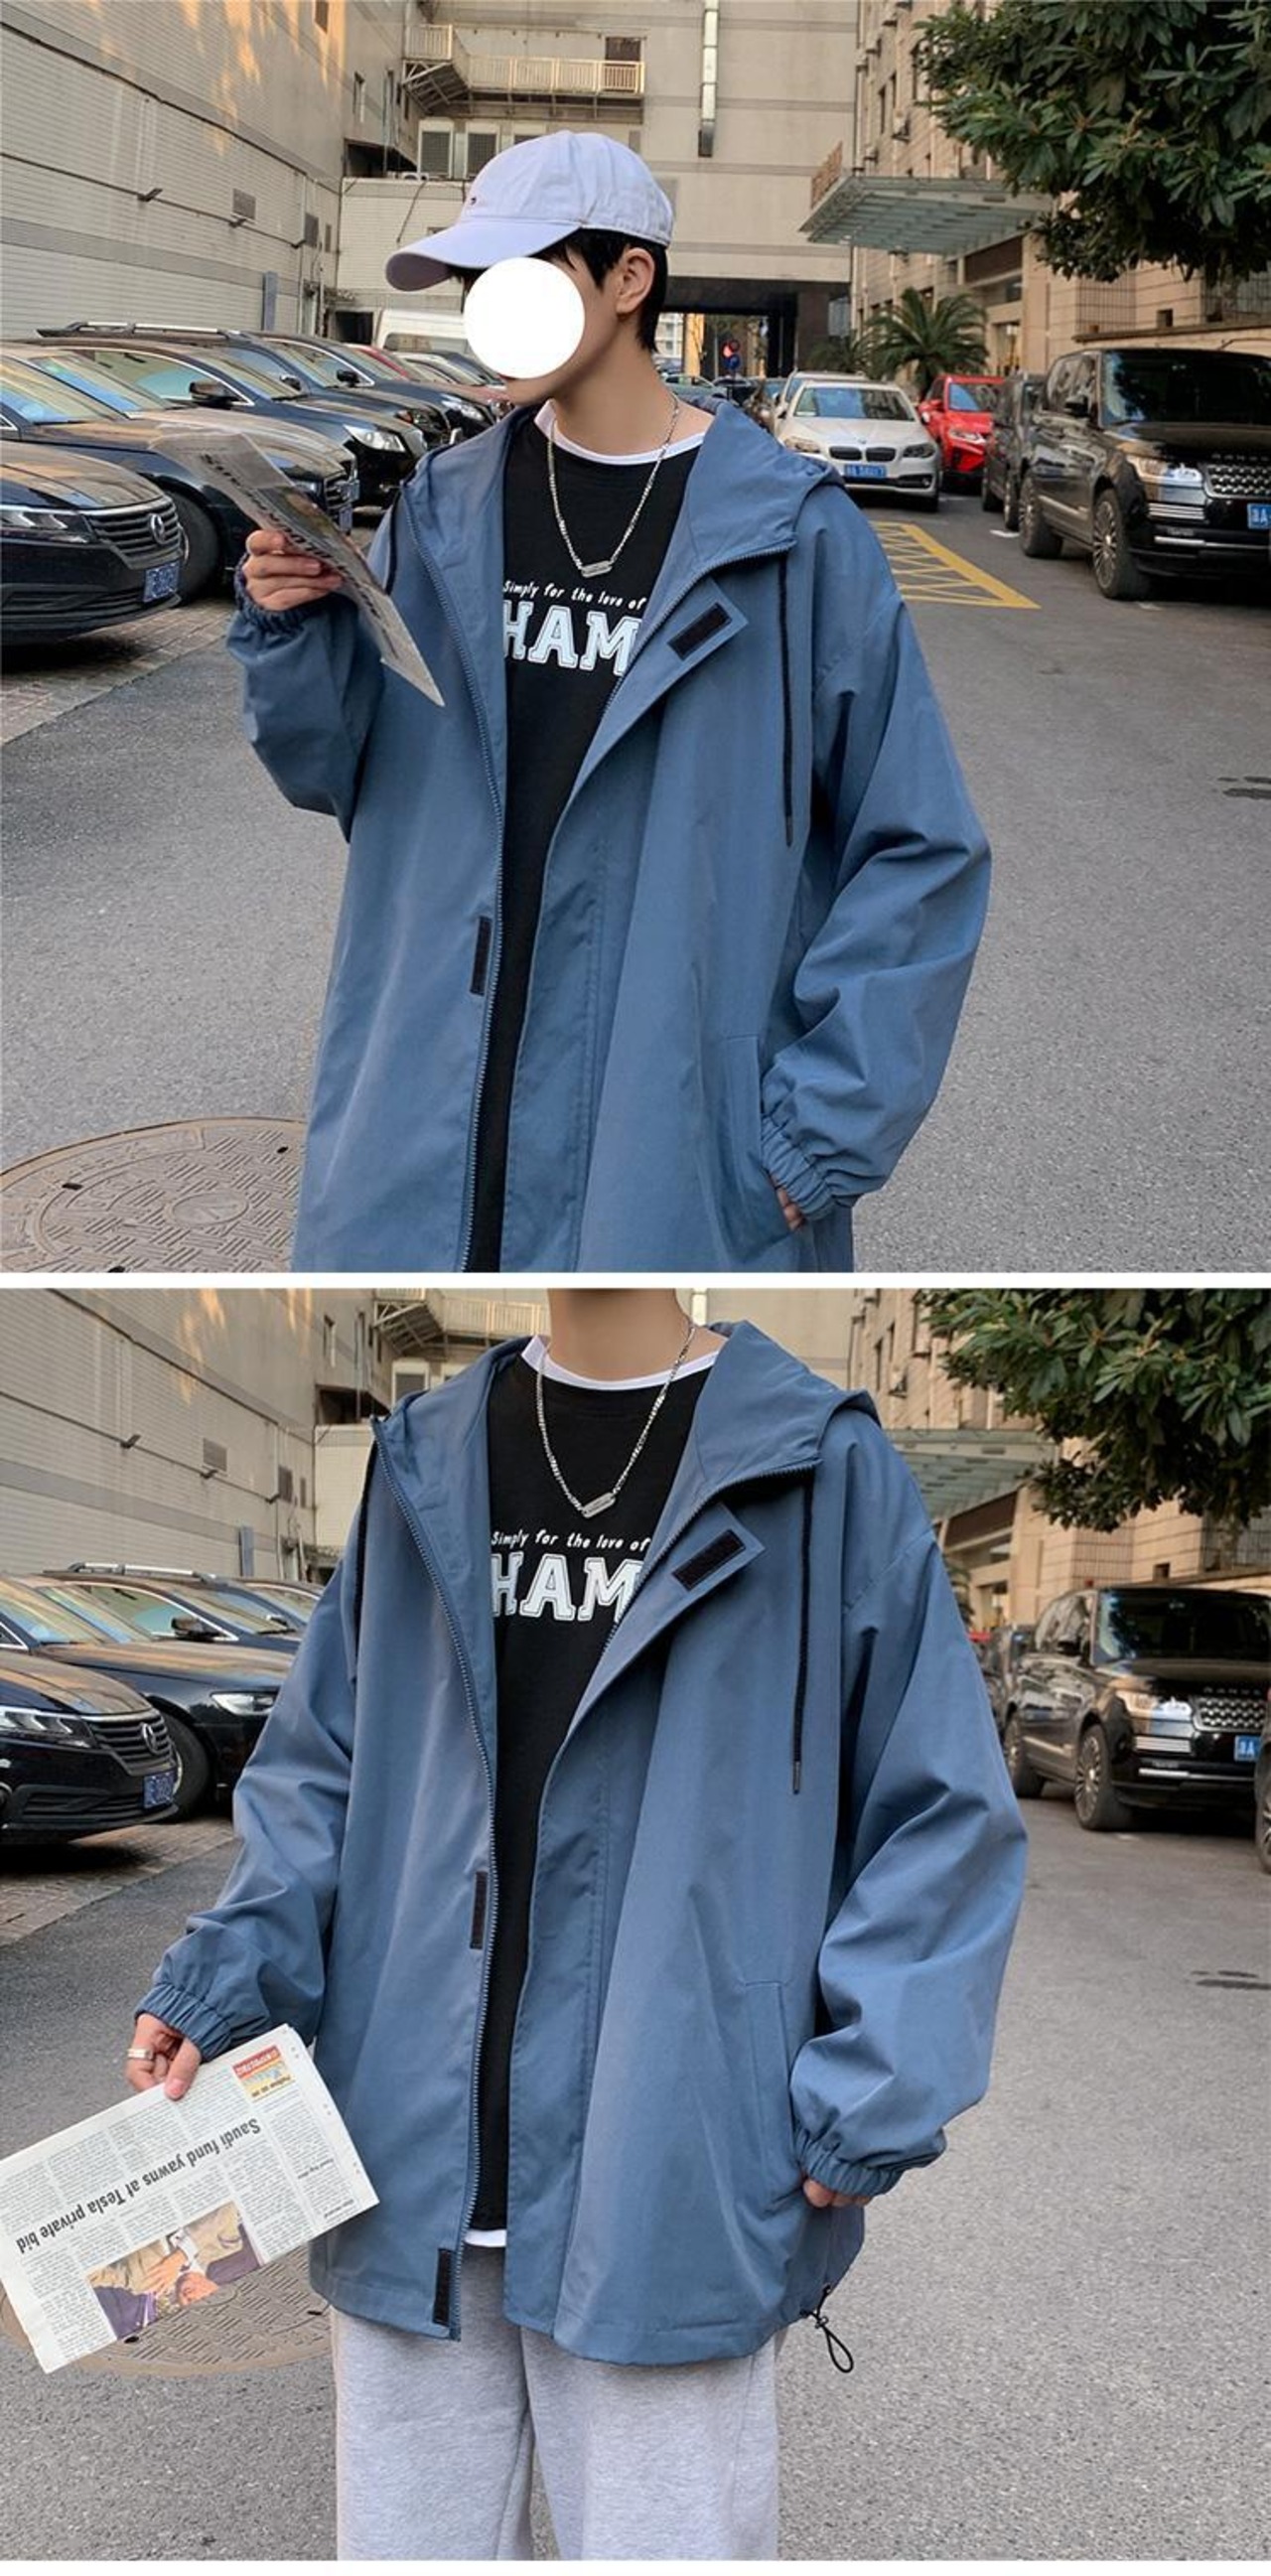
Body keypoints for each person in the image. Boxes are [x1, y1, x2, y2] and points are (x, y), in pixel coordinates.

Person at [127, 1290, 1027, 2560]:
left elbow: (936, 1807)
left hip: (674, 2151)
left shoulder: (819, 1464)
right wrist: (226, 1977)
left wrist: (875, 2082)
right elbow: (321, 1770)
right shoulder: (426, 1452)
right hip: (406, 2146)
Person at [227, 131, 991, 1272]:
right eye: (477, 284)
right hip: (424, 1118)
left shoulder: (790, 538)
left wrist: (814, 1136)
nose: (487, 312)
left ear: (628, 277)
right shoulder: (442, 507)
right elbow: (334, 773)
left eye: (519, 277)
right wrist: (291, 627)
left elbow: (918, 849)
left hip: (671, 1148)